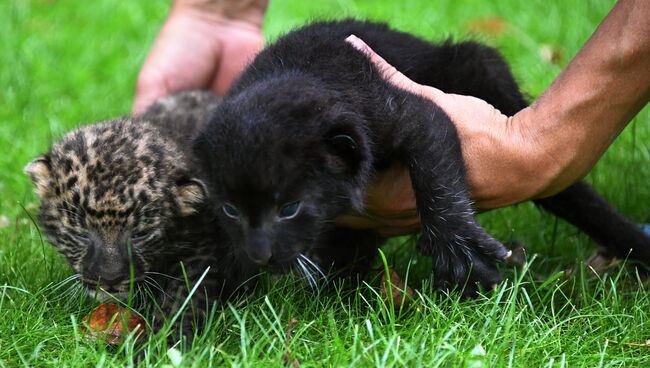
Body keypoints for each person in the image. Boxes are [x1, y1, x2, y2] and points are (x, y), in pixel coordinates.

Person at [134, 0, 650, 237]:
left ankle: (622, 236)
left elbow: (425, 123)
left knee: (476, 69)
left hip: (418, 97)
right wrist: (216, 11)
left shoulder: (339, 125)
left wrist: (542, 143)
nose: (259, 252)